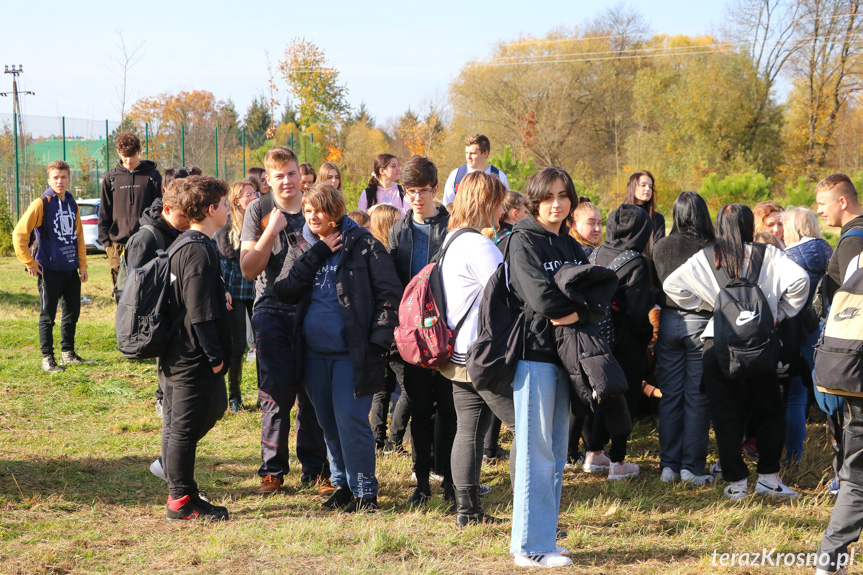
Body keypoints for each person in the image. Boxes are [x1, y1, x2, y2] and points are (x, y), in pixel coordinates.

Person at [664, 203, 809, 501]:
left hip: (717, 344)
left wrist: (710, 307)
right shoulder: (766, 254)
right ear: (748, 226)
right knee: (770, 411)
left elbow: (671, 285)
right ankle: (768, 478)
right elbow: (801, 281)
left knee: (725, 415)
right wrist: (778, 312)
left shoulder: (705, 257)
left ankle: (736, 483)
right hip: (760, 344)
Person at [273, 183, 401, 512]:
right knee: (328, 422)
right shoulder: (301, 244)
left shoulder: (364, 244)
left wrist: (377, 343)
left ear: (335, 211)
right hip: (312, 354)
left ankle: (365, 491)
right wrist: (317, 252)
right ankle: (342, 486)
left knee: (350, 420)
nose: (312, 216)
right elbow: (284, 289)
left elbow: (390, 295)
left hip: (353, 355)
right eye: (308, 210)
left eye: (319, 210)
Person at [240, 147, 331, 497]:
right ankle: (273, 471)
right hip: (271, 310)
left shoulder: (315, 207)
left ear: (299, 173)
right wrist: (270, 231)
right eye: (278, 176)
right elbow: (249, 270)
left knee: (312, 393)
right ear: (267, 178)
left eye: (292, 173)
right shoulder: (258, 209)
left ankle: (317, 469)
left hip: (313, 310)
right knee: (276, 394)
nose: (287, 181)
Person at [508, 167, 587, 568]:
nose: (556, 204)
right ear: (534, 199)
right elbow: (540, 298)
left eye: (564, 195)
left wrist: (574, 314)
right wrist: (574, 313)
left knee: (555, 453)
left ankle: (543, 540)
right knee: (536, 453)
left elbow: (593, 290)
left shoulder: (569, 244)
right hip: (534, 355)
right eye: (548, 197)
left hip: (564, 356)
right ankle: (530, 547)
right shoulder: (523, 241)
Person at [438, 171, 516, 526]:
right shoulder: (479, 246)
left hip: (459, 353)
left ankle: (467, 511)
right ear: (486, 203)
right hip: (483, 355)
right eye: (499, 203)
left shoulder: (452, 239)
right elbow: (509, 295)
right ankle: (529, 513)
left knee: (468, 429)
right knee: (526, 429)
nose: (502, 211)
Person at [387, 156, 459, 506]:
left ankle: (448, 477)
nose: (417, 198)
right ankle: (421, 482)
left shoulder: (451, 227)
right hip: (412, 337)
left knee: (448, 407)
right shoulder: (398, 230)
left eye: (424, 191)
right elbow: (392, 282)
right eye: (410, 191)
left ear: (435, 189)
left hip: (446, 332)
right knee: (417, 408)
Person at [159, 175, 231, 522]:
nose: (230, 209)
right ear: (210, 209)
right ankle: (180, 501)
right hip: (191, 358)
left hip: (178, 355)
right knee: (183, 430)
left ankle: (184, 491)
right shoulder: (198, 250)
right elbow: (200, 313)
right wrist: (216, 358)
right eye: (226, 203)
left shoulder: (185, 244)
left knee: (177, 428)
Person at [584, 203, 655, 480]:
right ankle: (618, 461)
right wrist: (647, 337)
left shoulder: (597, 252)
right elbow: (638, 311)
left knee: (604, 393)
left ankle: (594, 453)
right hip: (626, 340)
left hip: (597, 335)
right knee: (625, 397)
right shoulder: (636, 262)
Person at [814, 174, 863, 574]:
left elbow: (843, 307)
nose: (820, 211)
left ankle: (829, 561)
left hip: (855, 368)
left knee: (858, 472)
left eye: (823, 204)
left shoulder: (852, 241)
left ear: (843, 202)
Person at [652, 191, 715, 485]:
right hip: (701, 323)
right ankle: (691, 467)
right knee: (697, 397)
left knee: (670, 396)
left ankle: (668, 465)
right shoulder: (711, 248)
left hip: (668, 322)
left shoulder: (661, 245)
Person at [121, 177, 191, 419]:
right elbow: (135, 286)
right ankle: (161, 400)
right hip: (154, 314)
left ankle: (168, 397)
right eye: (184, 216)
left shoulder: (174, 230)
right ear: (167, 210)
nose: (188, 222)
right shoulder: (146, 239)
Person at [12, 160, 89, 373]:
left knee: (72, 313)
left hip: (70, 269)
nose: (60, 181)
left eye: (63, 177)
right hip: (49, 270)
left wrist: (82, 265)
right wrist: (29, 261)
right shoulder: (41, 203)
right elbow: (19, 233)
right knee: (48, 315)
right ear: (49, 179)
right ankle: (47, 358)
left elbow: (78, 237)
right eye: (55, 177)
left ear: (69, 179)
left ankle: (68, 353)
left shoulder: (72, 203)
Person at [781, 206, 832, 465]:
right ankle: (839, 446)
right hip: (825, 328)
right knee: (830, 391)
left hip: (795, 329)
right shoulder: (829, 251)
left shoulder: (787, 257)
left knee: (795, 397)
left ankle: (792, 456)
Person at [214, 181, 260, 413]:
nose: (253, 197)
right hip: (235, 287)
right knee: (238, 344)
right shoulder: (226, 226)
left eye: (255, 193)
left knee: (262, 342)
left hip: (257, 286)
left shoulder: (262, 220)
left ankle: (265, 396)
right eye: (247, 195)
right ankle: (234, 397)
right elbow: (224, 258)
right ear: (236, 202)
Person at [98, 131, 163, 286]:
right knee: (121, 292)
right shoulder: (111, 177)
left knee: (145, 288)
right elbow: (104, 211)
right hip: (117, 245)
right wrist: (107, 244)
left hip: (145, 242)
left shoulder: (153, 176)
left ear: (139, 151)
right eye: (124, 155)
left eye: (132, 155)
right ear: (118, 152)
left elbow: (158, 209)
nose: (128, 160)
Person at [442, 134, 509, 206]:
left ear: (485, 153)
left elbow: (506, 208)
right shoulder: (456, 176)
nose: (468, 157)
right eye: (466, 153)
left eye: (473, 153)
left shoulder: (499, 177)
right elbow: (447, 207)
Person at [623, 170, 665, 245]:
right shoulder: (620, 216)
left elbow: (659, 249)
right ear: (632, 187)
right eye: (643, 185)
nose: (648, 189)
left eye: (650, 186)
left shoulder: (658, 219)